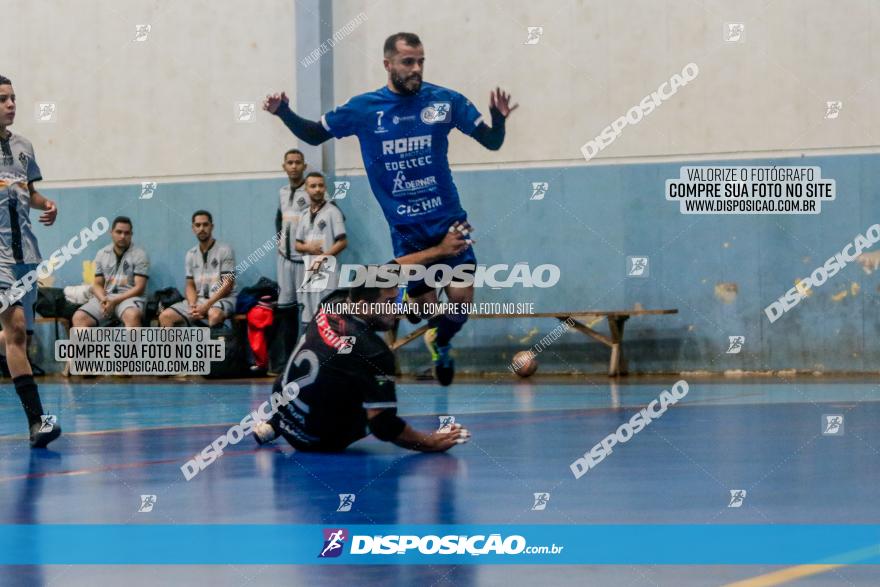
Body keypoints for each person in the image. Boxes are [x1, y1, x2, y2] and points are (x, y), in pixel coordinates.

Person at [264, 32, 517, 386]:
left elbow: (492, 141)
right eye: (408, 62)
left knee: (459, 304)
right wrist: (283, 112)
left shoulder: (445, 101)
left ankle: (440, 342)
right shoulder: (364, 109)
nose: (416, 69)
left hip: (448, 223)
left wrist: (499, 119)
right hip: (408, 233)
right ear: (388, 64)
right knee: (427, 309)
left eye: (421, 62)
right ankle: (422, 319)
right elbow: (313, 135)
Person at [252, 281, 470, 453]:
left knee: (331, 366)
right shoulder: (375, 351)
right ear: (364, 306)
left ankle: (274, 424)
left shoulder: (332, 303)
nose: (397, 310)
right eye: (390, 303)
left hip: (282, 409)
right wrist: (431, 442)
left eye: (397, 301)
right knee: (375, 400)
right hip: (318, 441)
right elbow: (384, 426)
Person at [0, 74, 61, 447]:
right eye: (3, 99)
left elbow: (30, 193)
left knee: (19, 337)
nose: (11, 105)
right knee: (17, 330)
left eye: (13, 98)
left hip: (27, 255)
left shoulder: (24, 147)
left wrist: (48, 205)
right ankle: (37, 422)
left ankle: (36, 422)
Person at [158, 210, 236, 327]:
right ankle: (174, 346)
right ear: (193, 228)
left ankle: (214, 345)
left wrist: (207, 305)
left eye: (205, 224)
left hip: (223, 299)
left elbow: (227, 284)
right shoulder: (191, 254)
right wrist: (193, 304)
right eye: (198, 225)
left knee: (214, 314)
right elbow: (190, 285)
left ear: (212, 226)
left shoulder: (225, 250)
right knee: (165, 316)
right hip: (199, 300)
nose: (202, 228)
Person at [72, 216, 149, 328]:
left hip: (129, 299)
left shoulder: (140, 254)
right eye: (119, 232)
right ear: (111, 232)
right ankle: (87, 346)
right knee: (79, 317)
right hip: (107, 297)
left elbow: (139, 288)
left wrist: (114, 301)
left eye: (127, 233)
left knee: (132, 315)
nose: (122, 236)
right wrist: (104, 300)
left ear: (131, 234)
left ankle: (134, 346)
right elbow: (97, 284)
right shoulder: (102, 253)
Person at [294, 172, 347, 327]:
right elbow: (297, 245)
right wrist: (308, 247)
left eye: (321, 185)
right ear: (306, 189)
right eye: (313, 186)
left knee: (327, 320)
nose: (317, 189)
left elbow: (343, 242)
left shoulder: (333, 212)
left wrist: (323, 257)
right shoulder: (303, 215)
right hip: (308, 274)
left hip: (327, 274)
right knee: (307, 322)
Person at [275, 148, 309, 357]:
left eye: (298, 162)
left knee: (308, 311)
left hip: (305, 261)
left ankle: (308, 357)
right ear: (284, 166)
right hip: (284, 260)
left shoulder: (313, 189)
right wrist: (280, 241)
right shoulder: (282, 192)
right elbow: (279, 218)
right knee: (286, 310)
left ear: (304, 166)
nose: (294, 166)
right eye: (290, 162)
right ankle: (287, 361)